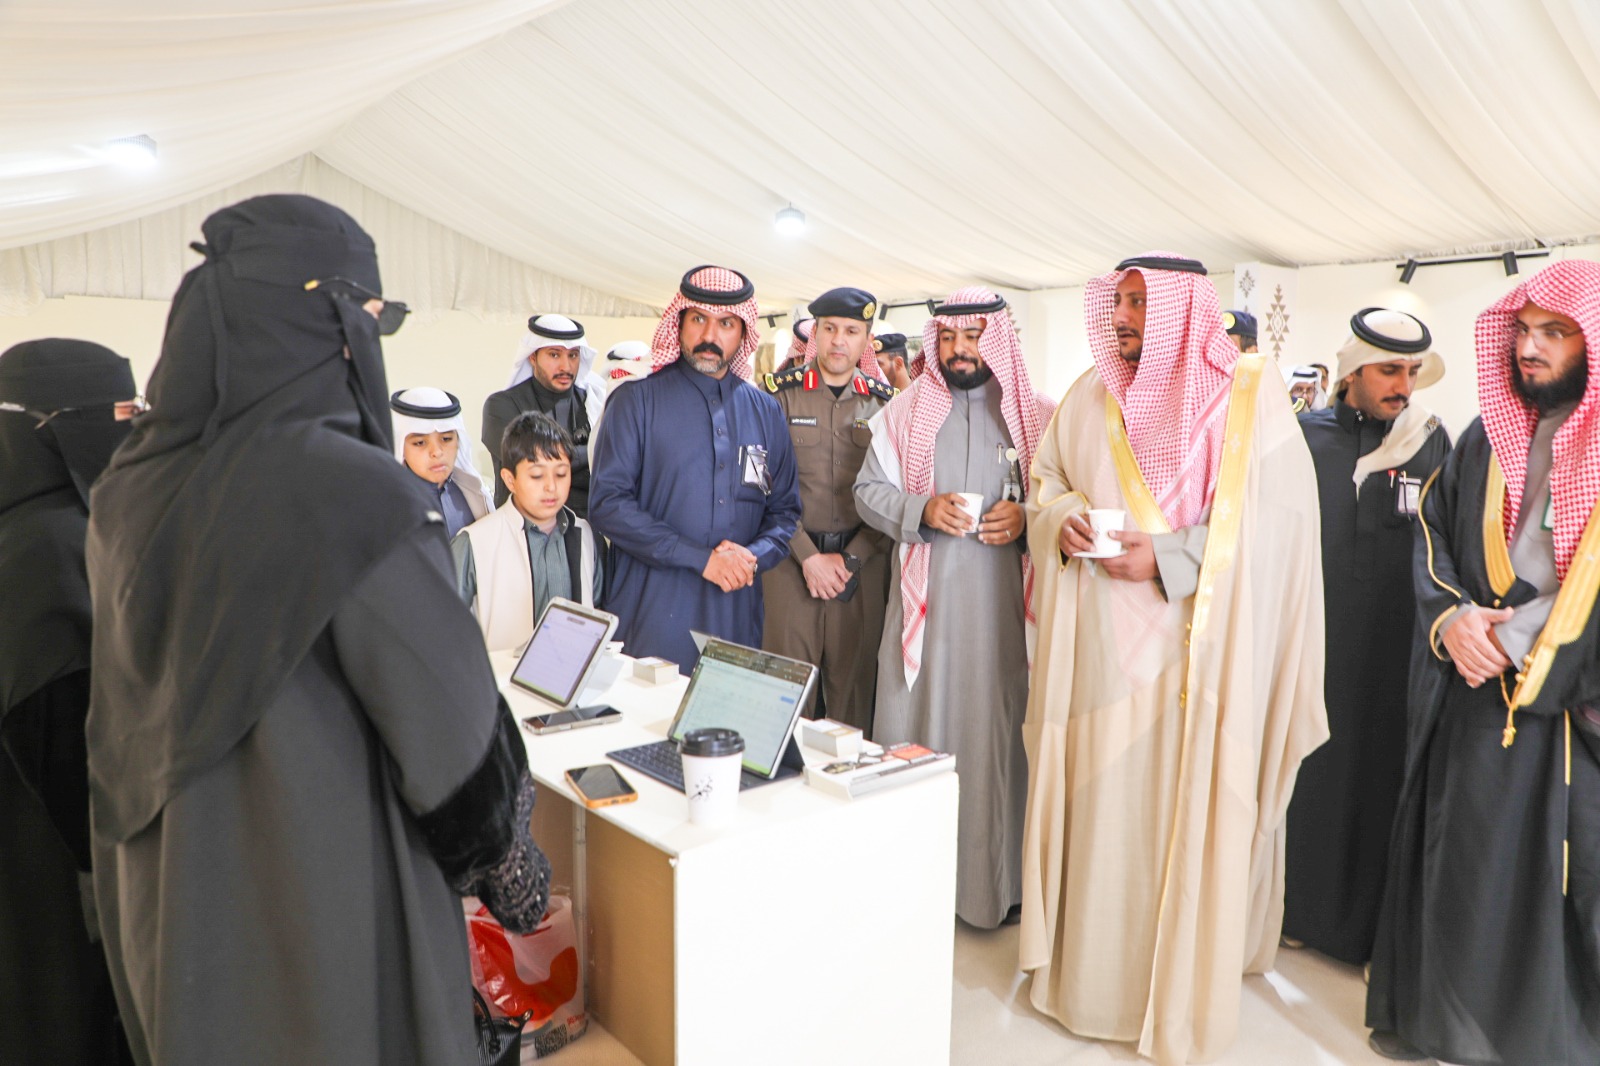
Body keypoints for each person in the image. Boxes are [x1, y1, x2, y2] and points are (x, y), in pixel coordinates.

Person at [85, 195, 549, 1066]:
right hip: (326, 923)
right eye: (365, 321)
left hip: (176, 916)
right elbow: (455, 745)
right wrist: (517, 877)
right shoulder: (350, 495)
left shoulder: (129, 489)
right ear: (321, 327)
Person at [1019, 253, 1327, 1066]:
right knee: (1102, 820)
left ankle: (1176, 991)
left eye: (1138, 303)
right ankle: (1091, 986)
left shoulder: (1250, 397)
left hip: (1202, 661)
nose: (1121, 318)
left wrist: (1170, 556)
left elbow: (1279, 529)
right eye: (1116, 303)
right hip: (1098, 658)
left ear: (1184, 310)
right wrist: (1061, 520)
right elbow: (1045, 478)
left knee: (1183, 825)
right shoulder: (1090, 394)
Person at [1366, 260, 1600, 1066]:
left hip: (1563, 712)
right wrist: (1454, 620)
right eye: (1522, 331)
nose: (1529, 348)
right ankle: (1445, 1028)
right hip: (1468, 697)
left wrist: (1522, 642)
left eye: (1553, 333)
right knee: (1459, 867)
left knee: (1545, 882)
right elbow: (1432, 530)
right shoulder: (1485, 437)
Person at [854, 285, 1053, 929]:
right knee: (920, 733)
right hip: (927, 618)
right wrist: (921, 509)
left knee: (1000, 744)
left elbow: (1067, 501)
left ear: (998, 342)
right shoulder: (906, 413)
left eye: (972, 337)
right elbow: (867, 491)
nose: (959, 350)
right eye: (947, 338)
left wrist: (1028, 518)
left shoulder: (1039, 418)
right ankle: (909, 889)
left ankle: (1001, 888)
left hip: (1004, 622)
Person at [1283, 308, 1450, 966]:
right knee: (1313, 782)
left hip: (1395, 657)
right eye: (1388, 370)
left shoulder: (1429, 443)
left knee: (1381, 786)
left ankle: (1368, 936)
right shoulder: (1301, 439)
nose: (1403, 386)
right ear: (1352, 371)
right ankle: (1298, 916)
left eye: (1411, 371)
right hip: (1315, 649)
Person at [0, 339, 137, 1066]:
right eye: (122, 414)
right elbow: (74, 763)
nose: (135, 433)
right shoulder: (52, 550)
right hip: (57, 912)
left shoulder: (23, 532)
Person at [588, 265, 800, 670]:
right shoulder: (636, 401)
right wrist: (703, 559)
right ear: (679, 323)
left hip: (736, 613)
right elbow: (608, 504)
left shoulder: (765, 411)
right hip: (652, 609)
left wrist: (751, 557)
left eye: (726, 324)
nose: (710, 336)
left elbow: (785, 512)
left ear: (743, 332)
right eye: (698, 319)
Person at [761, 287, 897, 730]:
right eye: (830, 329)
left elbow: (895, 493)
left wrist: (849, 559)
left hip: (861, 570)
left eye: (851, 331)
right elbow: (760, 487)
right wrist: (809, 557)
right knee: (783, 697)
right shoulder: (778, 398)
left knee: (854, 704)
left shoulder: (887, 405)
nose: (839, 340)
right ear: (815, 333)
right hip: (789, 567)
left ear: (867, 340)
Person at [453, 411, 603, 651]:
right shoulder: (474, 543)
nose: (551, 486)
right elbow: (447, 627)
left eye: (561, 473)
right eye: (537, 475)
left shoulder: (585, 535)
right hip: (502, 673)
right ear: (509, 480)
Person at [482, 313, 606, 514]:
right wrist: (594, 453)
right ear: (533, 357)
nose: (566, 366)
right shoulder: (501, 405)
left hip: (587, 526)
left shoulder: (594, 402)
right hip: (523, 527)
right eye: (554, 355)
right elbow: (531, 463)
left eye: (573, 355)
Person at [390, 386, 492, 537]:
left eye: (446, 439)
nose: (437, 452)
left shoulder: (474, 490)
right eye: (420, 443)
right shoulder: (389, 503)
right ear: (401, 448)